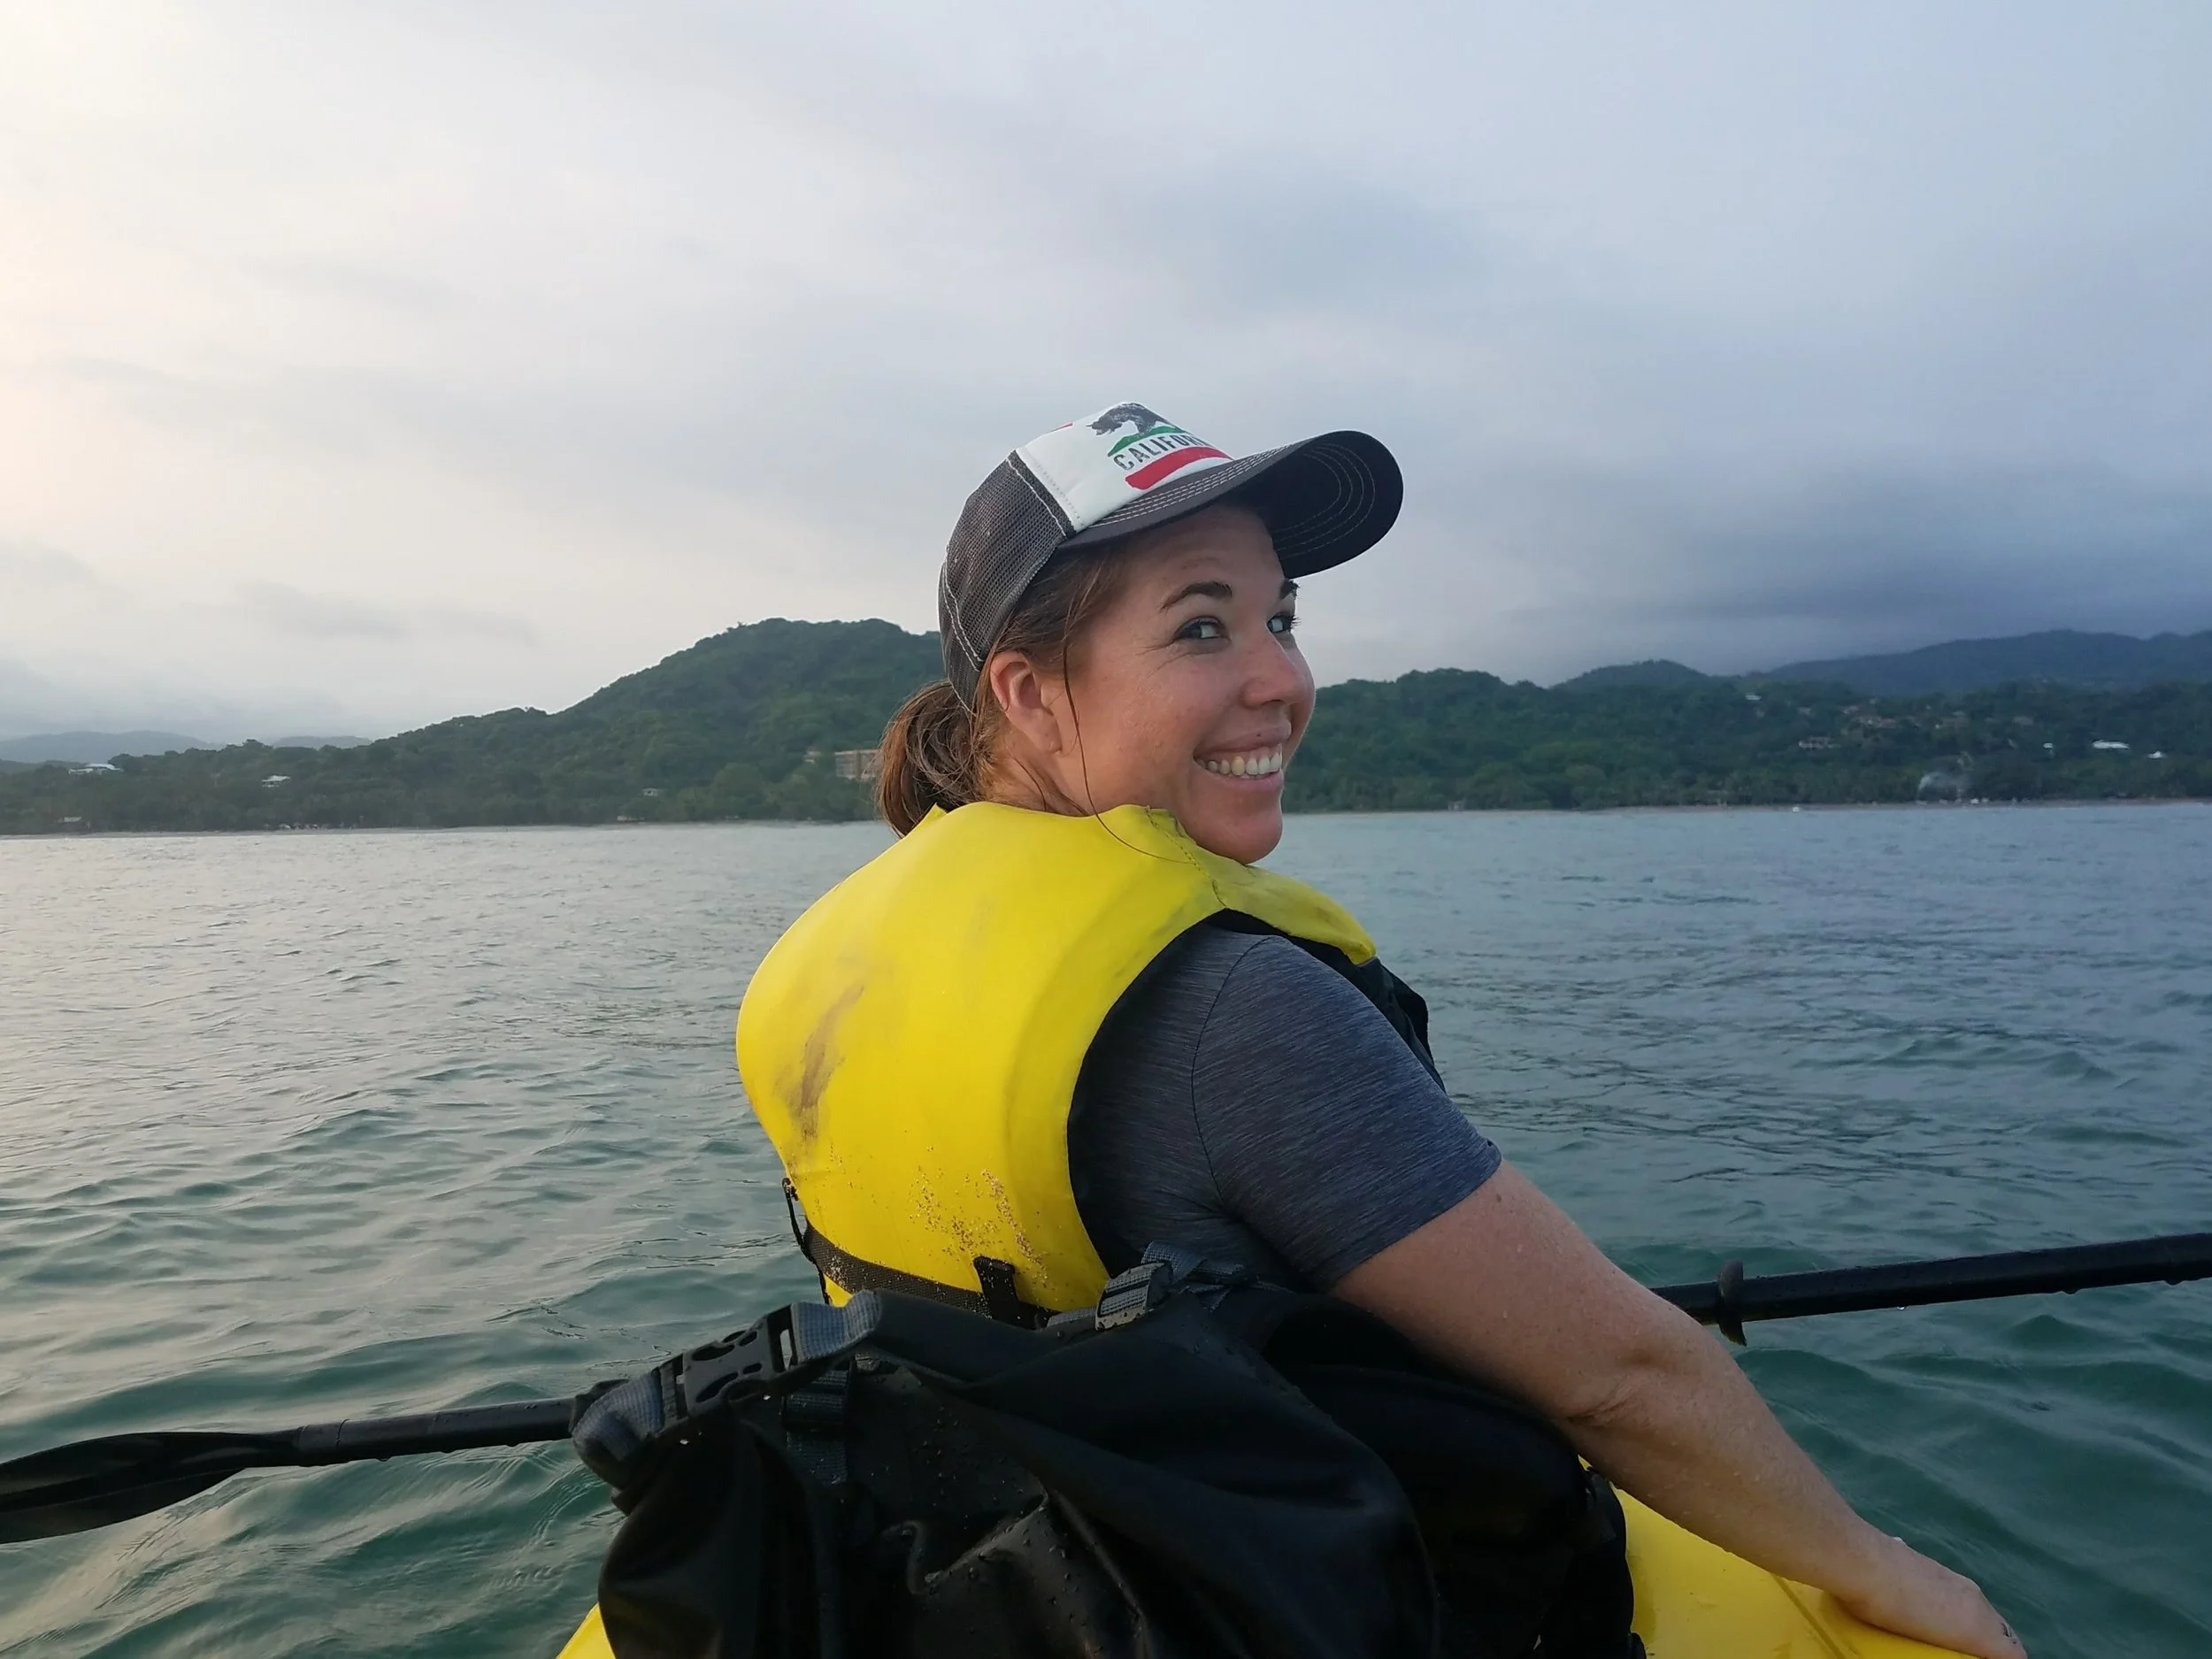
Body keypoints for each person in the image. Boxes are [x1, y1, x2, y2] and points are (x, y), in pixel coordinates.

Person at [734, 403, 2025, 1659]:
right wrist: (1891, 1572)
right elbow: (1621, 1376)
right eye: (1201, 626)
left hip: (990, 1578)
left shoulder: (825, 976)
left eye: (1282, 619)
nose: (1283, 680)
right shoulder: (1234, 1010)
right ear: (1029, 692)